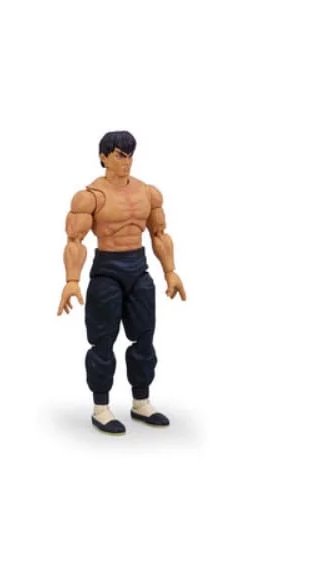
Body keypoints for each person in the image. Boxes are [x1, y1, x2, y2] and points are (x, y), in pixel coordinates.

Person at [57, 131, 186, 434]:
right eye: (119, 155)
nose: (126, 162)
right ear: (103, 157)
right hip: (107, 271)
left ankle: (141, 402)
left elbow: (159, 234)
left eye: (129, 156)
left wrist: (170, 272)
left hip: (138, 269)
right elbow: (74, 240)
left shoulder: (147, 193)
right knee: (102, 341)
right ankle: (101, 408)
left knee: (144, 337)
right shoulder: (91, 196)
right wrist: (72, 280)